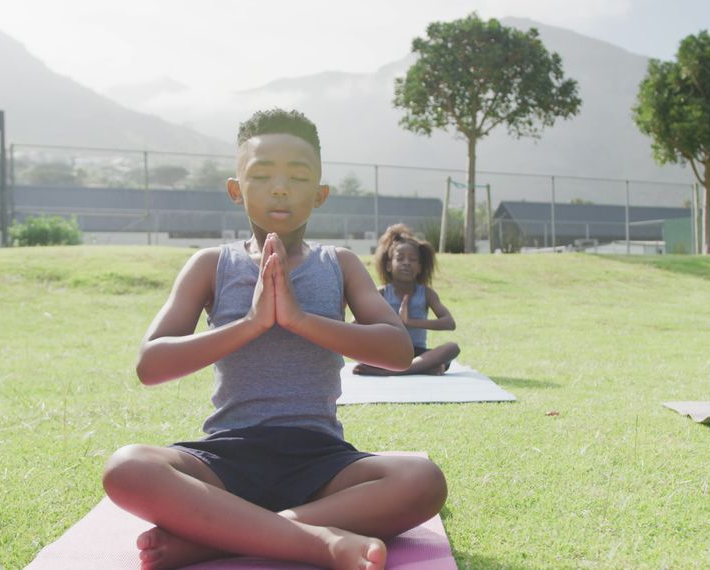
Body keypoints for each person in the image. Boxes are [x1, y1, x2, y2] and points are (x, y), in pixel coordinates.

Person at [101, 109, 448, 570]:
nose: (280, 188)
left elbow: (397, 351)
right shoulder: (211, 264)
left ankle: (219, 539)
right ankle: (320, 543)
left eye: (298, 177)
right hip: (227, 455)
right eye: (261, 175)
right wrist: (251, 322)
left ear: (320, 194)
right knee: (127, 468)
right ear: (235, 189)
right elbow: (150, 365)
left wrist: (301, 319)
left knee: (422, 479)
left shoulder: (338, 263)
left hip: (320, 458)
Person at [353, 224, 460, 376]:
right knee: (363, 357)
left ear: (420, 267)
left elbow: (449, 323)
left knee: (452, 348)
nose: (406, 263)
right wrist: (387, 325)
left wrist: (410, 322)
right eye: (400, 258)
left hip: (418, 353)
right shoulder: (381, 293)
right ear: (389, 266)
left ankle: (398, 371)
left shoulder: (427, 294)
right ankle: (423, 368)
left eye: (413, 259)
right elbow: (355, 325)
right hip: (388, 352)